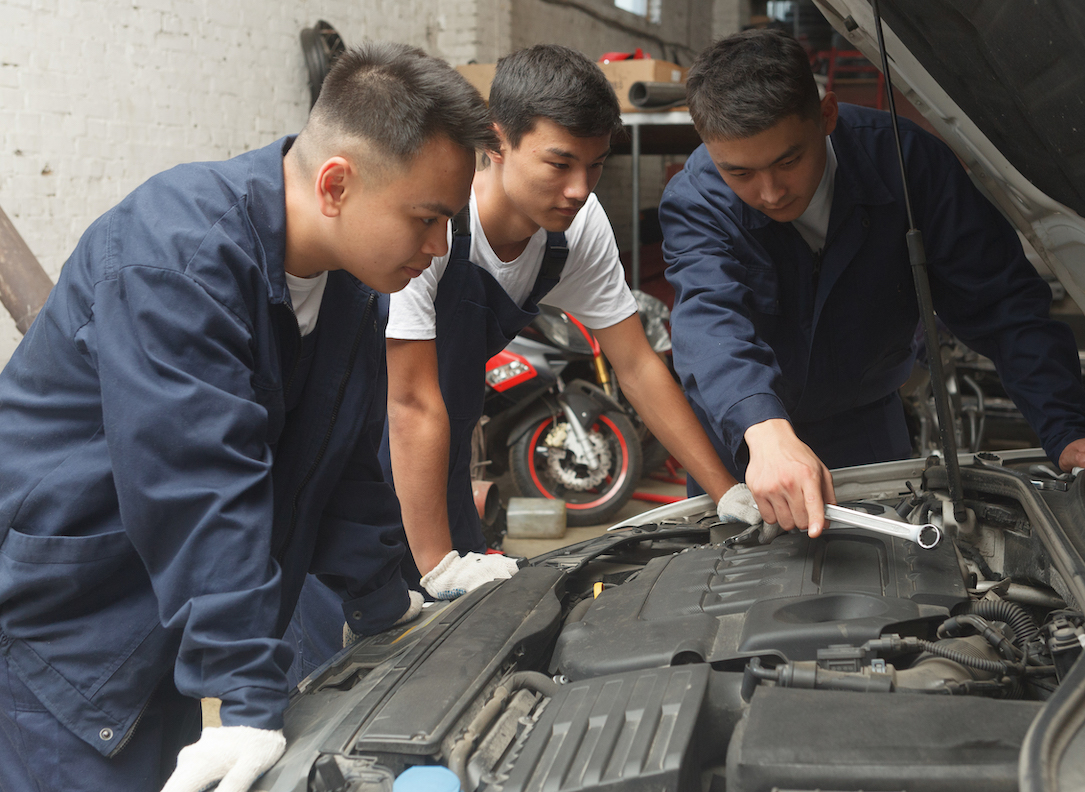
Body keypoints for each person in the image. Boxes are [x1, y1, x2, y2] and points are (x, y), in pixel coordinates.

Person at [0, 43, 494, 792]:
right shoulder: (175, 256)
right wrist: (243, 697)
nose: (438, 249)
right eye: (427, 218)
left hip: (167, 620)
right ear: (337, 184)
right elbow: (196, 485)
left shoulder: (348, 286)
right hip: (67, 632)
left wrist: (389, 610)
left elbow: (338, 467)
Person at [287, 43, 761, 679]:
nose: (578, 189)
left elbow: (638, 364)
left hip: (438, 462)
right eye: (559, 163)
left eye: (595, 166)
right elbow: (409, 402)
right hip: (346, 471)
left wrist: (723, 487)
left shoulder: (576, 229)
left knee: (460, 662)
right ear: (498, 140)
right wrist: (437, 566)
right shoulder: (432, 224)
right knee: (344, 678)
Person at [659, 29, 1085, 538]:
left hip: (864, 426)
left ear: (827, 114)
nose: (771, 192)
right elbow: (710, 323)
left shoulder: (910, 167)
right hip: (746, 443)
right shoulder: (697, 200)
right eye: (740, 172)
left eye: (789, 160)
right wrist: (763, 431)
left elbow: (1003, 305)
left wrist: (1065, 429)